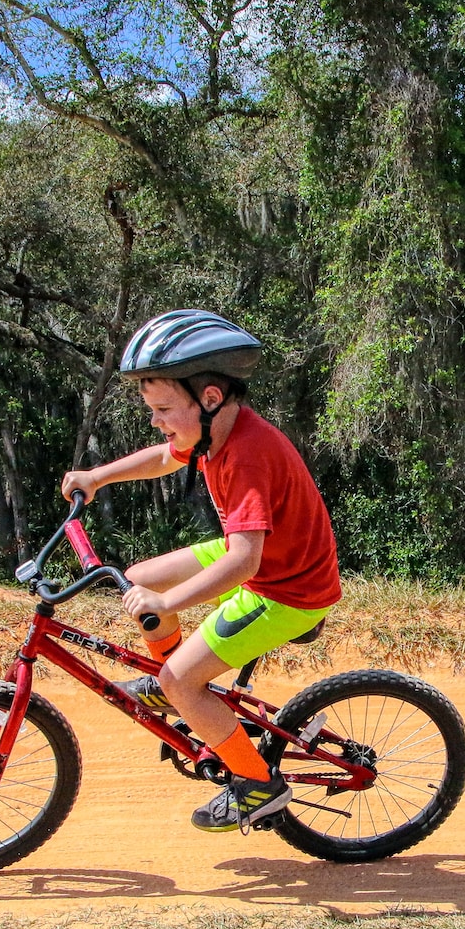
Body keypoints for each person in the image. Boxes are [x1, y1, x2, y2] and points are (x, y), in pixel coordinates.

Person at [59, 310, 341, 833]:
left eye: (164, 408)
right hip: (272, 559)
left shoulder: (247, 455)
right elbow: (166, 456)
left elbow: (243, 561)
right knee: (141, 577)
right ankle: (177, 686)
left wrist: (168, 606)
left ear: (209, 398)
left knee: (180, 679)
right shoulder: (215, 433)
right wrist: (97, 476)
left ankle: (257, 784)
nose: (156, 420)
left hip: (288, 588)